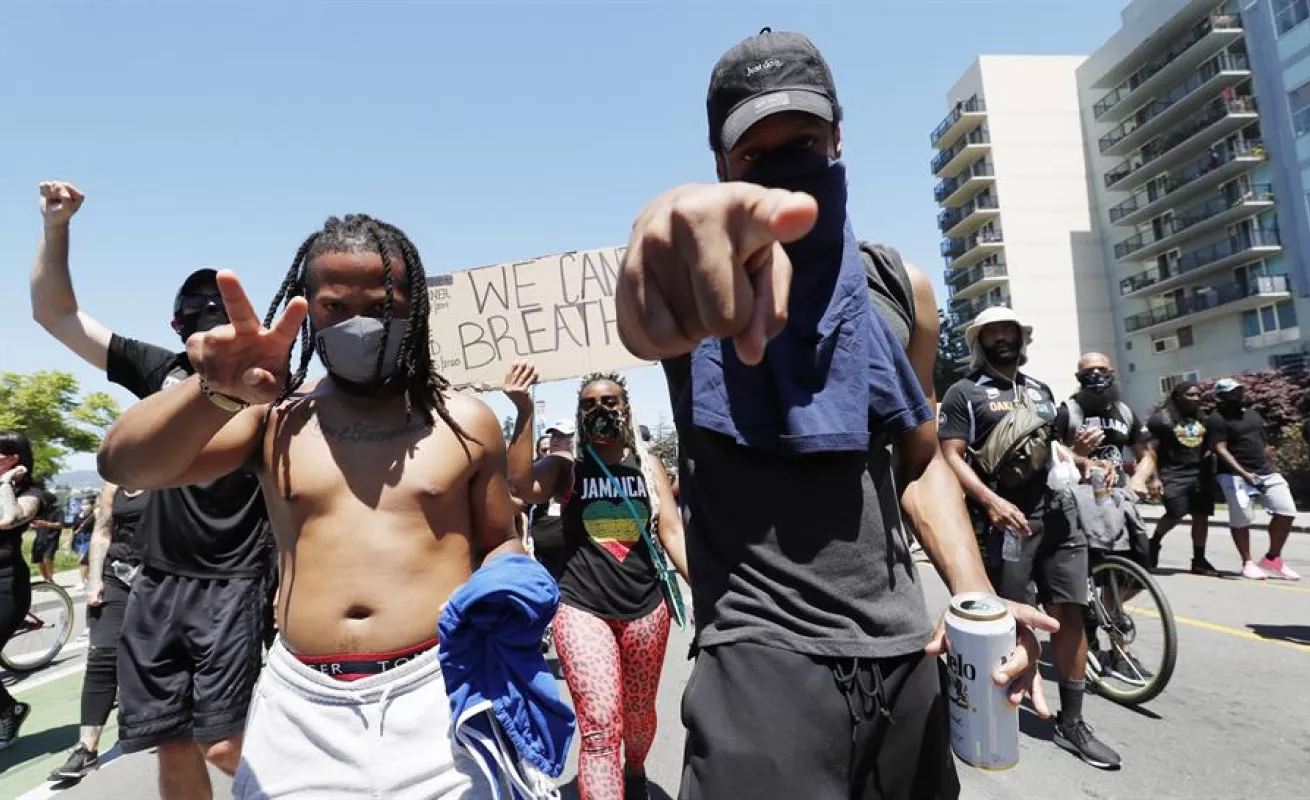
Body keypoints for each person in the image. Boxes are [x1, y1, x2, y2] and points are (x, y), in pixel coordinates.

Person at [615, 28, 1055, 800]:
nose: (788, 166)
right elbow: (650, 286)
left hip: (903, 651)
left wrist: (975, 596)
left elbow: (918, 458)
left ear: (839, 137)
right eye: (756, 154)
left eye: (807, 141)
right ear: (721, 165)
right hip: (759, 656)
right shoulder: (704, 278)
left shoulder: (899, 284)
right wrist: (663, 220)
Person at [97, 213, 528, 799]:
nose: (360, 323)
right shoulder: (275, 419)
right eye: (334, 306)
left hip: (440, 692)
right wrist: (214, 392)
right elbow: (124, 464)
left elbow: (500, 536)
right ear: (306, 311)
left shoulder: (466, 421)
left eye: (382, 304)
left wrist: (512, 585)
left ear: (416, 306)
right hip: (304, 704)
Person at [30, 180, 274, 799]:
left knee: (223, 743)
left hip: (235, 582)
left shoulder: (271, 389)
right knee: (169, 745)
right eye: (195, 315)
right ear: (176, 326)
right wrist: (56, 228)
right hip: (157, 581)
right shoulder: (159, 372)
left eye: (219, 313)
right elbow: (55, 315)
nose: (206, 325)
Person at [939, 308, 1121, 769]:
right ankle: (988, 708)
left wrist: (1082, 457)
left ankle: (1072, 722)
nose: (1003, 339)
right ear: (980, 341)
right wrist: (990, 503)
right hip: (1008, 521)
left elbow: (1052, 447)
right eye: (993, 333)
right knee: (1009, 621)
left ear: (1022, 339)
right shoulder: (965, 392)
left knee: (1069, 612)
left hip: (1058, 517)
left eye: (1010, 332)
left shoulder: (1040, 390)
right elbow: (951, 456)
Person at [504, 362, 687, 800]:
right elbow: (523, 484)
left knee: (638, 719)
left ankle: (636, 767)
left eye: (609, 402)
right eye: (589, 404)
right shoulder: (567, 468)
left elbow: (672, 531)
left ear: (626, 407)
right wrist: (524, 409)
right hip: (581, 609)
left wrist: (713, 595)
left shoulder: (649, 468)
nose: (599, 410)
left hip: (646, 610)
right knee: (602, 724)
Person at [48, 481, 148, 781]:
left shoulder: (170, 472)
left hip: (159, 574)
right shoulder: (113, 485)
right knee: (102, 655)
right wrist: (94, 578)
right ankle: (86, 749)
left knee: (163, 654)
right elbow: (102, 533)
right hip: (116, 573)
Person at [1054, 352, 1153, 565]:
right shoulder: (1067, 412)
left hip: (1117, 496)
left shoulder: (1124, 412)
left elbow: (1145, 454)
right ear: (1078, 376)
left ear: (1112, 374)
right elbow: (1052, 451)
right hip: (1081, 501)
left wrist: (1140, 478)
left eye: (1101, 370)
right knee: (1093, 569)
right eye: (1088, 371)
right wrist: (1079, 452)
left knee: (1140, 563)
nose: (1096, 374)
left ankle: (1110, 600)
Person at [1207, 378, 1300, 580]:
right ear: (1221, 397)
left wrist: (1270, 464)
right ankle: (1247, 562)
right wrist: (1244, 474)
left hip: (1265, 472)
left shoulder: (1252, 414)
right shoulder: (1217, 419)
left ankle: (1273, 558)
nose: (1239, 395)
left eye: (1240, 390)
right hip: (1234, 476)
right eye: (1233, 393)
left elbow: (1263, 442)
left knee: (1286, 511)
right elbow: (1220, 449)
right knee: (1241, 519)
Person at [1130, 381, 1218, 575]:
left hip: (1200, 474)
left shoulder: (1203, 418)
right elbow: (1149, 450)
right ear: (1178, 397)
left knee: (1201, 516)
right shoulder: (1161, 419)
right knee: (1175, 512)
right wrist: (1154, 478)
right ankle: (1154, 542)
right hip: (1173, 473)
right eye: (1191, 395)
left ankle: (1199, 559)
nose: (1196, 398)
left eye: (1198, 395)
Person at [0, 432, 45, 748]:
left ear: (13, 458)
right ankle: (9, 709)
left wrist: (6, 484)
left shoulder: (33, 493)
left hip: (6, 585)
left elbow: (8, 518)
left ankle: (8, 711)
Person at [29, 488, 64, 583]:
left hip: (51, 538)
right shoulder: (39, 511)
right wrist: (33, 526)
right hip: (40, 538)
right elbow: (32, 523)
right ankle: (45, 580)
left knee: (47, 558)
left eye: (42, 499)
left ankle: (50, 578)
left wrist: (46, 523)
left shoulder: (58, 510)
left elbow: (60, 525)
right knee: (39, 560)